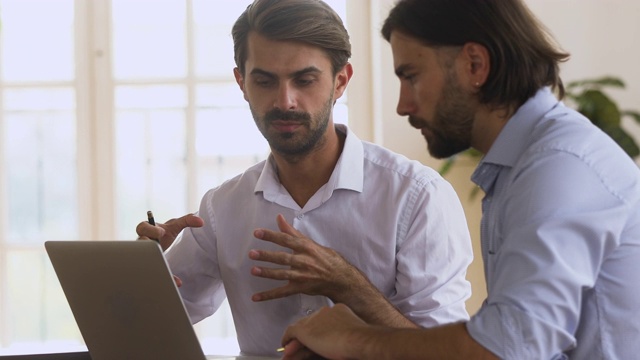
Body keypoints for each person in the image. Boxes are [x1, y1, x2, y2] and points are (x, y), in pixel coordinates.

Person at [280, 0, 640, 359]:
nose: (402, 105)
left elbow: (505, 349)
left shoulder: (559, 166)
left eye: (411, 76)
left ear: (475, 65)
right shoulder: (521, 167)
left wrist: (353, 340)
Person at [136, 0, 474, 356]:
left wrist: (350, 287)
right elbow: (146, 323)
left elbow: (446, 354)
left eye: (305, 80)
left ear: (340, 81)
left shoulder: (417, 197)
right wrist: (141, 274)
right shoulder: (221, 208)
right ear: (242, 82)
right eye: (265, 81)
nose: (286, 101)